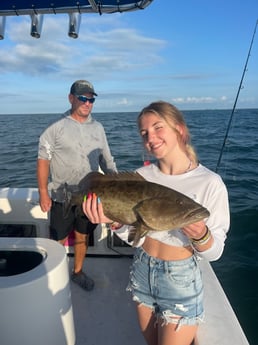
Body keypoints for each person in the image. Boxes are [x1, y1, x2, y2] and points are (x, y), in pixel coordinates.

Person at [82, 101, 230, 344]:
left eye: (158, 127)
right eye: (144, 133)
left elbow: (215, 253)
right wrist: (114, 223)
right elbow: (136, 236)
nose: (150, 137)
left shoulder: (210, 183)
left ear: (179, 130)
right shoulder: (142, 176)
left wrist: (201, 234)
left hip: (180, 279)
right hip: (141, 269)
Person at [37, 79, 117, 291]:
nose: (87, 102)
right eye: (82, 98)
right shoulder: (55, 127)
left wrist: (116, 183)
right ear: (71, 98)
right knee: (57, 239)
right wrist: (43, 192)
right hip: (61, 196)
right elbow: (43, 159)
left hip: (88, 197)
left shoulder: (98, 128)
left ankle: (78, 272)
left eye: (91, 99)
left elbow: (107, 160)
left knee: (83, 235)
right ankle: (50, 277)